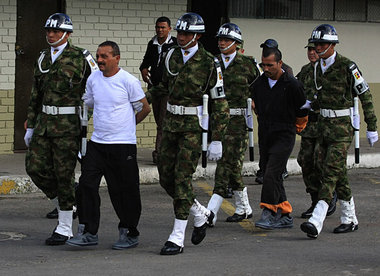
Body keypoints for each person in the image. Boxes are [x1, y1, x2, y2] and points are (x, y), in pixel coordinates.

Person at [145, 13, 229, 255]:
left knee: (182, 179)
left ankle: (177, 236)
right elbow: (162, 86)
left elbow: (220, 102)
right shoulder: (171, 54)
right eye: (179, 33)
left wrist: (217, 138)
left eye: (186, 34)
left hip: (192, 127)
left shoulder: (209, 63)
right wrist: (141, 99)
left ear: (197, 36)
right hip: (170, 123)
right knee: (165, 177)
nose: (181, 37)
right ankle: (200, 213)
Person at [66, 41, 151, 249]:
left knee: (124, 191)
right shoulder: (94, 79)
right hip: (97, 144)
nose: (100, 60)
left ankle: (129, 232)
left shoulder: (128, 81)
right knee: (86, 185)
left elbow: (145, 108)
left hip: (123, 145)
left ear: (117, 58)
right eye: (98, 56)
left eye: (104, 56)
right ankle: (88, 231)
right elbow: (90, 103)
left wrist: (127, 126)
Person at [24, 13, 96, 245]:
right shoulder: (43, 57)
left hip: (68, 126)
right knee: (34, 168)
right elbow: (36, 94)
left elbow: (95, 89)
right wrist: (31, 125)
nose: (51, 34)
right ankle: (65, 204)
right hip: (45, 123)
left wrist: (86, 117)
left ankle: (65, 227)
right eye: (48, 30)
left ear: (67, 33)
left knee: (64, 175)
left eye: (55, 31)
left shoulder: (80, 57)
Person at [300, 24, 378, 239]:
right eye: (316, 44)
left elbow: (365, 96)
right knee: (336, 172)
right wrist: (306, 105)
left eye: (323, 44)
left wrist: (371, 126)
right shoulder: (316, 68)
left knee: (330, 172)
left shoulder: (347, 66)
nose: (318, 47)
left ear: (333, 45)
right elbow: (315, 97)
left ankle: (317, 219)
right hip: (322, 127)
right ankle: (350, 218)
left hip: (342, 129)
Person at [206, 23, 261, 226]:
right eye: (220, 39)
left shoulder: (248, 63)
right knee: (231, 166)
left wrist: (257, 102)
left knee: (228, 165)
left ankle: (211, 211)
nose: (222, 43)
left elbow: (261, 86)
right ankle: (244, 207)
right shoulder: (213, 63)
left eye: (226, 40)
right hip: (218, 121)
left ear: (237, 44)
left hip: (239, 122)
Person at [252, 46, 308, 230]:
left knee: (271, 173)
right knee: (271, 172)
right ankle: (284, 214)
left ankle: (268, 211)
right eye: (263, 65)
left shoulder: (292, 84)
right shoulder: (259, 84)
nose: (266, 69)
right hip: (266, 133)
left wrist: (297, 127)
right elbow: (258, 107)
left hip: (284, 134)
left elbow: (302, 110)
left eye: (270, 65)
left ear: (280, 63)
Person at [296, 39, 337, 219]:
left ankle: (328, 197)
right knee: (305, 160)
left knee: (323, 162)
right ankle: (315, 199)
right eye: (310, 50)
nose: (312, 53)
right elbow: (295, 90)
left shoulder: (330, 69)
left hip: (326, 124)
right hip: (309, 125)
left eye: (315, 49)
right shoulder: (305, 71)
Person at [140, 17, 177, 164]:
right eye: (158, 27)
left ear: (169, 28)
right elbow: (146, 61)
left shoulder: (175, 45)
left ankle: (159, 153)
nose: (160, 30)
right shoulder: (152, 43)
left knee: (163, 121)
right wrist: (143, 69)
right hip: (154, 88)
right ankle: (164, 151)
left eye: (163, 27)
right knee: (158, 120)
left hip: (168, 89)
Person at [255, 39, 292, 184]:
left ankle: (280, 169)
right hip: (264, 114)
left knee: (278, 146)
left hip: (280, 116)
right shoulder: (258, 67)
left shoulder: (285, 70)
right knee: (264, 144)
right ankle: (263, 169)